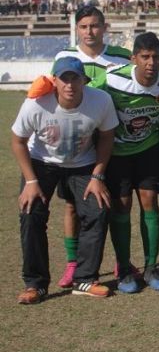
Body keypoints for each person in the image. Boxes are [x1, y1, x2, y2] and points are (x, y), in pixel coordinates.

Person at [92, 32, 159, 294]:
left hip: (149, 149)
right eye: (145, 57)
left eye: (156, 57)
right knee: (122, 206)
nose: (151, 62)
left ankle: (151, 268)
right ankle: (125, 270)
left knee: (150, 202)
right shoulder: (113, 78)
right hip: (117, 153)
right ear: (134, 59)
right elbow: (85, 97)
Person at [12, 57, 118, 303]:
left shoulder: (100, 100)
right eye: (64, 78)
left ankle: (85, 278)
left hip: (83, 164)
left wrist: (97, 175)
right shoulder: (36, 104)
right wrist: (30, 182)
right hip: (42, 163)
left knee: (98, 209)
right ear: (54, 81)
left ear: (84, 81)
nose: (70, 84)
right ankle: (35, 284)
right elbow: (17, 141)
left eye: (75, 78)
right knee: (30, 213)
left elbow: (107, 137)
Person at [52, 6, 131, 288]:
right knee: (74, 206)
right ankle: (74, 263)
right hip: (79, 146)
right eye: (84, 27)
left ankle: (122, 261)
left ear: (105, 27)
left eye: (95, 26)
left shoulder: (122, 57)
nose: (90, 32)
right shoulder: (65, 58)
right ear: (77, 30)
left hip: (116, 141)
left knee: (120, 204)